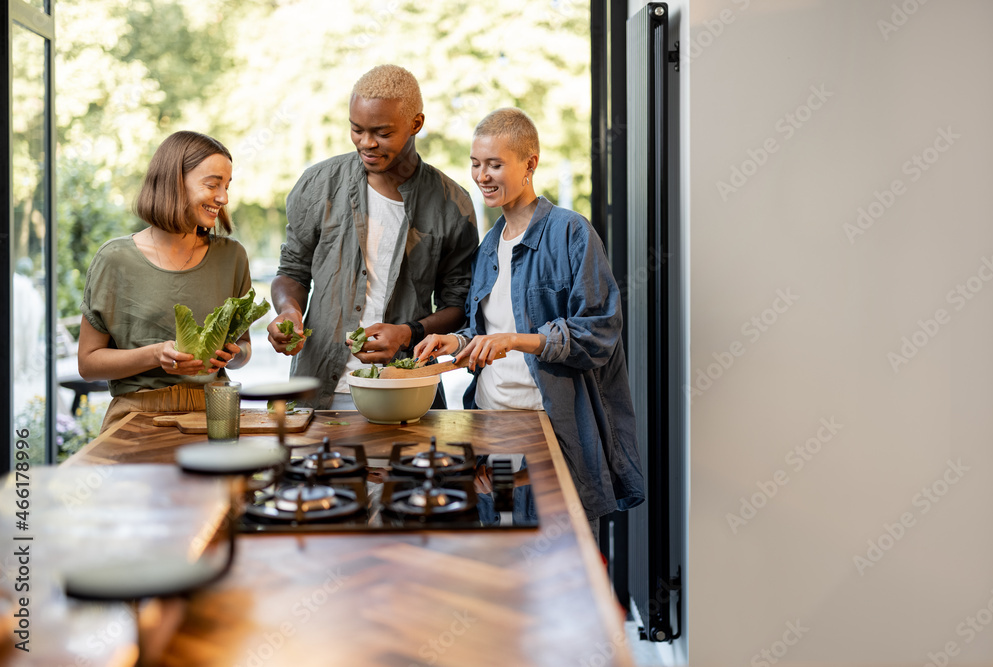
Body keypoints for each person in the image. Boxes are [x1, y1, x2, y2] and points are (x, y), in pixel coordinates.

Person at [414, 108, 644, 539]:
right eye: (476, 163)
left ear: (530, 164)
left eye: (495, 164)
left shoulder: (572, 233)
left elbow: (599, 334)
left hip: (550, 433)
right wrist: (454, 341)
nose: (482, 175)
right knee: (503, 557)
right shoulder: (488, 247)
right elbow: (485, 333)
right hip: (492, 433)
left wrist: (518, 340)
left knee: (561, 569)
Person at [267, 64, 478, 409]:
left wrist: (409, 332)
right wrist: (289, 311)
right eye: (356, 129)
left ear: (416, 124)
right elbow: (292, 270)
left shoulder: (452, 204)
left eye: (381, 132)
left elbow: (458, 305)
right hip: (320, 392)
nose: (366, 143)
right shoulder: (318, 185)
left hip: (408, 393)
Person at [79, 131, 252, 432]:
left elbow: (244, 349)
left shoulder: (233, 257)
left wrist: (235, 355)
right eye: (213, 185)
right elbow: (88, 363)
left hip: (215, 415)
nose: (223, 198)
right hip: (137, 418)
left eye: (226, 186)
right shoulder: (115, 259)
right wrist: (156, 355)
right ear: (174, 181)